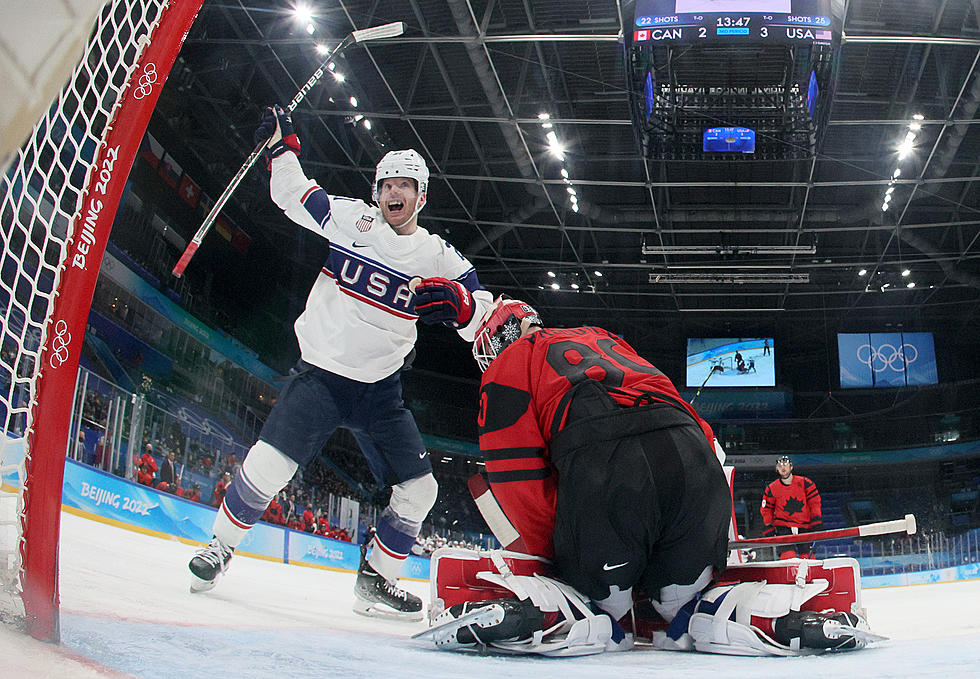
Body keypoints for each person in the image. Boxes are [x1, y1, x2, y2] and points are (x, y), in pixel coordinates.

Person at [418, 299, 876, 656]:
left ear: (497, 339)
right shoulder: (604, 337)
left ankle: (556, 615)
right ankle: (769, 619)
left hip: (610, 471)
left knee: (604, 611)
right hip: (696, 462)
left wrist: (560, 553)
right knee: (683, 605)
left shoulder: (510, 362)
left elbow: (515, 471)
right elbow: (701, 434)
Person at [187, 105, 493, 622]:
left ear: (423, 196)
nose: (394, 193)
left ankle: (376, 582)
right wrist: (282, 151)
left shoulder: (442, 258)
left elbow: (484, 317)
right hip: (322, 377)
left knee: (422, 490)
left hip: (380, 391)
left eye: (405, 185)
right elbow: (292, 195)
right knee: (269, 464)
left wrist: (466, 308)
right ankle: (219, 548)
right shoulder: (351, 218)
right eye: (387, 184)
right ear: (378, 192)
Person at [760, 455, 823, 559]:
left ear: (791, 467)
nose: (783, 468)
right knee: (787, 557)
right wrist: (768, 525)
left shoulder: (806, 483)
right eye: (780, 466)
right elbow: (767, 509)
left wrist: (816, 520)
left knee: (807, 558)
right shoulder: (771, 488)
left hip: (805, 526)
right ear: (777, 469)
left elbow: (814, 502)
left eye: (785, 465)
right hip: (783, 527)